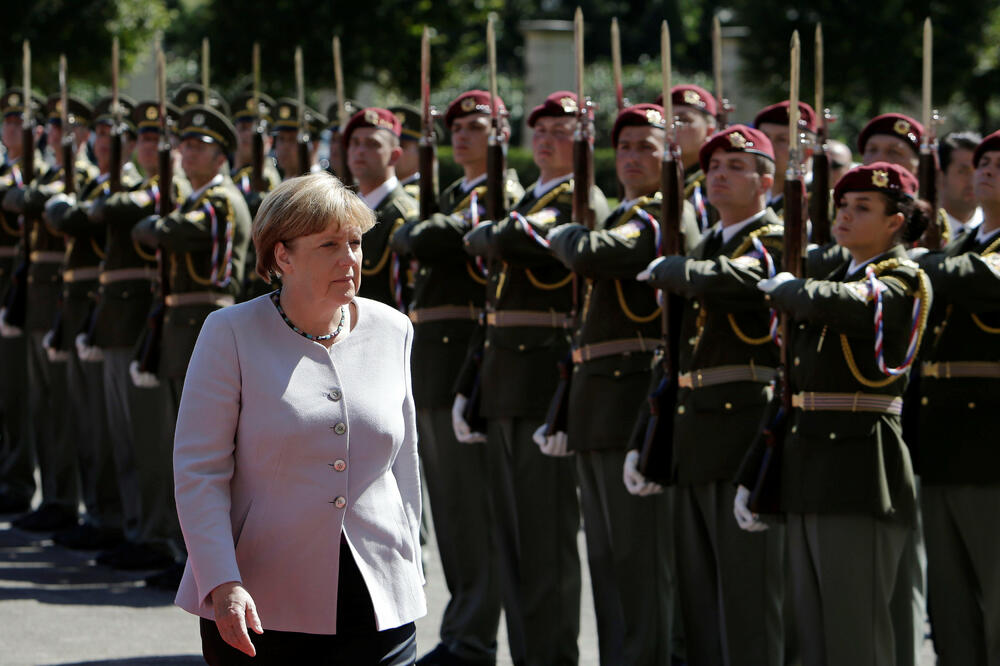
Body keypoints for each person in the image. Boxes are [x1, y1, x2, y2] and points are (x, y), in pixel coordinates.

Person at [174, 172, 425, 665]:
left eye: (355, 243)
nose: (349, 258)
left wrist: (410, 565)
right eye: (329, 245)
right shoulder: (230, 332)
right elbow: (200, 472)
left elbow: (404, 464)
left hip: (379, 596)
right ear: (282, 256)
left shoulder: (393, 329)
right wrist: (221, 580)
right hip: (261, 603)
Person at [738, 162, 932, 666]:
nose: (844, 215)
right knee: (810, 637)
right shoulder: (830, 279)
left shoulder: (902, 278)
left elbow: (853, 305)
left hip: (860, 469)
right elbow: (793, 390)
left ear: (895, 222)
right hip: (806, 464)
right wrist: (753, 471)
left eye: (862, 208)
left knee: (854, 635)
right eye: (842, 205)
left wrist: (789, 288)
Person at [459, 90, 609, 665]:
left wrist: (493, 233)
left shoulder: (578, 196)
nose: (547, 140)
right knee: (515, 540)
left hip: (544, 377)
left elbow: (506, 239)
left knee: (544, 538)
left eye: (561, 131)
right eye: (540, 131)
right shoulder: (533, 197)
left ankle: (551, 656)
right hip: (505, 379)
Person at [545, 103, 698, 665]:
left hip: (632, 397)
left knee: (640, 561)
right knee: (609, 562)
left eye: (646, 147)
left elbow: (595, 253)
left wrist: (566, 232)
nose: (632, 157)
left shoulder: (661, 214)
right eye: (625, 147)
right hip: (598, 399)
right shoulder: (626, 213)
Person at [637, 124, 786, 666]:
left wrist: (674, 269)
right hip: (693, 428)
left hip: (742, 427)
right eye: (714, 167)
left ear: (765, 182)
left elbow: (732, 280)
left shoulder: (772, 239)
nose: (719, 175)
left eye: (736, 167)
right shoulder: (707, 244)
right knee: (698, 594)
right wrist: (645, 436)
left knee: (748, 593)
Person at [392, 89, 522, 666]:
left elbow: (430, 238)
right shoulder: (451, 195)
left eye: (477, 127)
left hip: (465, 359)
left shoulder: (500, 194)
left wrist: (418, 231)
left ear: (501, 135)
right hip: (434, 363)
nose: (463, 135)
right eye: (458, 127)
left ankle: (473, 638)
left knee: (472, 512)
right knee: (449, 511)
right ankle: (463, 629)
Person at [130, 104, 252, 589]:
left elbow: (175, 232)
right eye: (184, 145)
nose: (187, 153)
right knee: (184, 450)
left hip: (204, 324)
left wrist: (155, 224)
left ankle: (203, 562)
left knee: (204, 452)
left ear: (222, 156)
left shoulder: (221, 200)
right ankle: (189, 556)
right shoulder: (195, 198)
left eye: (199, 146)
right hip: (182, 327)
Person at [32, 96, 140, 535]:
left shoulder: (127, 187)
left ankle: (112, 517)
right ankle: (96, 512)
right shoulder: (96, 186)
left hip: (109, 310)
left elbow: (77, 221)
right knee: (85, 422)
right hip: (82, 305)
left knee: (108, 426)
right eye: (99, 134)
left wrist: (67, 209)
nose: (103, 142)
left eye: (112, 135)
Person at [916, 130, 1000, 665]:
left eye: (999, 164)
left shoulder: (959, 258)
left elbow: (976, 280)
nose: (986, 169)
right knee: (949, 602)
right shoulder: (959, 245)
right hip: (942, 438)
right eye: (983, 161)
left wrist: (915, 263)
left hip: (991, 444)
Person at [0, 89, 55, 515]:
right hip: (11, 285)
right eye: (8, 121)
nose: (14, 129)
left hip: (23, 288)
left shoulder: (38, 176)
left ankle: (19, 479)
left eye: (22, 123)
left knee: (22, 392)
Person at [343, 107, 419, 311]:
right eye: (355, 143)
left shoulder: (404, 215)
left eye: (372, 144)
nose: (360, 151)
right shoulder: (343, 210)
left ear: (395, 156)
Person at [656, 85, 718, 231]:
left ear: (709, 131)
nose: (671, 128)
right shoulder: (653, 178)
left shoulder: (713, 183)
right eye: (664, 121)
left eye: (683, 120)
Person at [753, 100, 817, 217]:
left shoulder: (819, 201)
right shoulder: (749, 197)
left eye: (782, 140)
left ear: (808, 150)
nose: (769, 147)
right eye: (764, 138)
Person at [936, 131, 983, 242]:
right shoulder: (925, 232)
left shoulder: (993, 230)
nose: (973, 180)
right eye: (963, 172)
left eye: (978, 170)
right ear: (940, 177)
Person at [272, 98, 326, 178]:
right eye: (281, 139)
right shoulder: (282, 180)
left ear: (315, 145)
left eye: (292, 139)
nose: (285, 147)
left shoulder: (321, 184)